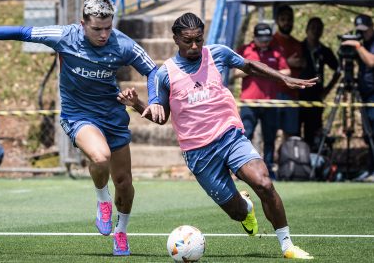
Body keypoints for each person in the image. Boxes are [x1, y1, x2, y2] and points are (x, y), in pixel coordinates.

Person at [0, 0, 164, 256]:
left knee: (124, 183)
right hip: (78, 115)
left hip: (113, 117)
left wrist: (153, 100)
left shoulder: (122, 44)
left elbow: (153, 71)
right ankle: (102, 200)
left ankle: (121, 232)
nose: (104, 34)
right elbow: (22, 32)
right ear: (82, 23)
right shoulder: (64, 36)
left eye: (108, 27)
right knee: (100, 157)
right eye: (97, 28)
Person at [118, 13, 316, 259]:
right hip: (199, 154)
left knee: (264, 183)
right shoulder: (164, 74)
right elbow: (160, 117)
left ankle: (287, 246)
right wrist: (137, 104)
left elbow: (251, 66)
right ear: (175, 39)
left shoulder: (218, 53)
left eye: (199, 40)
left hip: (230, 136)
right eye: (188, 41)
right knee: (237, 213)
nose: (194, 46)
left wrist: (284, 78)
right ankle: (246, 208)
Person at [235, 23, 290, 179]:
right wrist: (251, 69)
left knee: (270, 138)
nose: (265, 43)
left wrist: (270, 72)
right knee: (245, 137)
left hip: (270, 102)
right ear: (254, 37)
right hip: (249, 103)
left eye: (267, 39)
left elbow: (287, 71)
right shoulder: (245, 50)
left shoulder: (276, 50)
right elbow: (234, 73)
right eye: (262, 39)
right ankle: (243, 170)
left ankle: (269, 170)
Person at [299, 17, 339, 151]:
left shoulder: (324, 51)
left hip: (316, 97)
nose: (315, 31)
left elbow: (338, 69)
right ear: (306, 30)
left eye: (318, 28)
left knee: (313, 133)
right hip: (298, 96)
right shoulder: (299, 47)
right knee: (296, 133)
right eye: (312, 28)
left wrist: (328, 89)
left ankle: (313, 161)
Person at [342, 14, 374, 181]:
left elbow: (371, 62)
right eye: (359, 31)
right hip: (365, 95)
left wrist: (357, 46)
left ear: (371, 28)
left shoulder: (367, 45)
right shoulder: (364, 44)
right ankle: (370, 169)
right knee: (369, 135)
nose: (363, 34)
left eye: (365, 31)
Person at [272, 5, 304, 139]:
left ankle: (286, 159)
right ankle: (270, 160)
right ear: (277, 21)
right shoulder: (271, 41)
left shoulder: (298, 43)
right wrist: (287, 62)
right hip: (274, 93)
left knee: (290, 133)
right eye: (283, 19)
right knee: (271, 133)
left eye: (289, 19)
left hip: (292, 93)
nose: (286, 22)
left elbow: (303, 64)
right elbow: (264, 65)